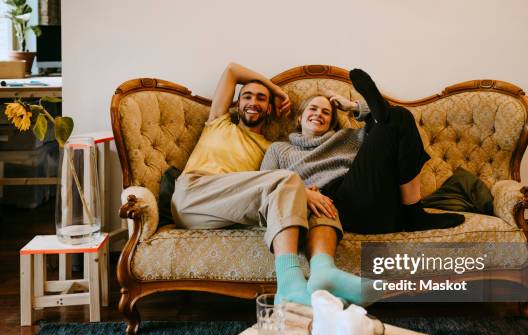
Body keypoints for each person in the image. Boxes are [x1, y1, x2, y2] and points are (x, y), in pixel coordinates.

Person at [260, 69, 465, 299]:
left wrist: (354, 108)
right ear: (299, 117)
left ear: (332, 121)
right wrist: (303, 192)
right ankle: (413, 215)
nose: (319, 114)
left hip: (369, 197)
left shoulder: (347, 137)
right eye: (313, 109)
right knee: (391, 118)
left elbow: (385, 122)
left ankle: (414, 212)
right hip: (329, 207)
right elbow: (265, 184)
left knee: (399, 117)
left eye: (326, 112)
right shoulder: (279, 149)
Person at [171, 62, 344, 306]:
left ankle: (314, 277)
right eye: (247, 97)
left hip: (224, 212)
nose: (253, 102)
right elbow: (232, 70)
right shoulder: (218, 122)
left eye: (261, 98)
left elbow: (277, 189)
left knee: (298, 192)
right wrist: (276, 90)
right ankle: (290, 281)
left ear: (270, 109)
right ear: (237, 104)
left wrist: (305, 194)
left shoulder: (270, 149)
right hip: (193, 194)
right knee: (289, 181)